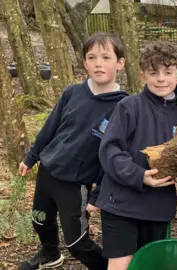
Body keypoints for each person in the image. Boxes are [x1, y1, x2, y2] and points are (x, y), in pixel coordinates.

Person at [18, 32, 128, 270]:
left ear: (120, 63)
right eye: (92, 57)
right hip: (48, 171)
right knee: (40, 219)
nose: (98, 63)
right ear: (85, 62)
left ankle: (106, 266)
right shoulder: (72, 93)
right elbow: (50, 128)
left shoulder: (124, 106)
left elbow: (116, 156)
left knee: (77, 242)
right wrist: (32, 156)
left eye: (106, 57)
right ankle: (49, 253)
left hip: (76, 184)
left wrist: (98, 193)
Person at [95, 43, 177, 270]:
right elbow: (110, 150)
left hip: (158, 206)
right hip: (121, 203)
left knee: (151, 263)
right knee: (121, 264)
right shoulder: (129, 106)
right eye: (153, 72)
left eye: (168, 73)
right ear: (142, 75)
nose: (160, 79)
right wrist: (139, 175)